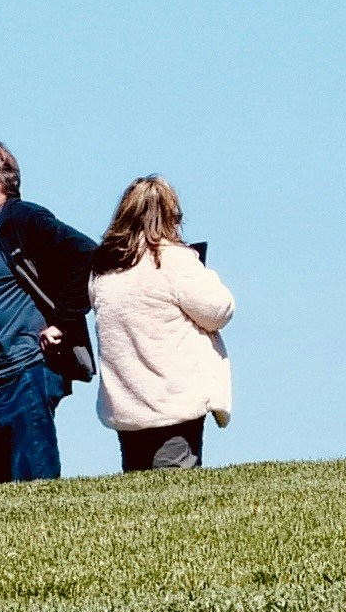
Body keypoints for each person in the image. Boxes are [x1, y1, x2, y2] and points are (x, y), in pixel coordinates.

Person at [0, 139, 105, 485]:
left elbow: (84, 254)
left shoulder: (21, 217)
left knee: (34, 486)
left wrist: (62, 322)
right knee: (7, 493)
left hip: (23, 370)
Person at [85, 175, 234, 473]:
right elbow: (219, 310)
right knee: (177, 486)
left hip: (127, 404)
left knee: (138, 484)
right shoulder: (173, 260)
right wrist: (201, 267)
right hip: (172, 401)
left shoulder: (103, 271)